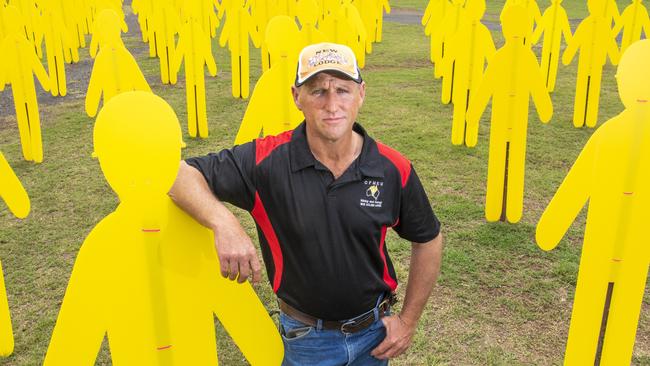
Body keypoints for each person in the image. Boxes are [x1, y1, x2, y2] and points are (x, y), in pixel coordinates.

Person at [169, 42, 443, 365]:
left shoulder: (392, 167)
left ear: (361, 94)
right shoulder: (266, 161)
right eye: (317, 91)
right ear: (296, 97)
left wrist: (408, 322)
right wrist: (223, 222)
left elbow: (428, 238)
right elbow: (177, 175)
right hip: (306, 340)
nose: (332, 104)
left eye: (343, 90)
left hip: (374, 335)